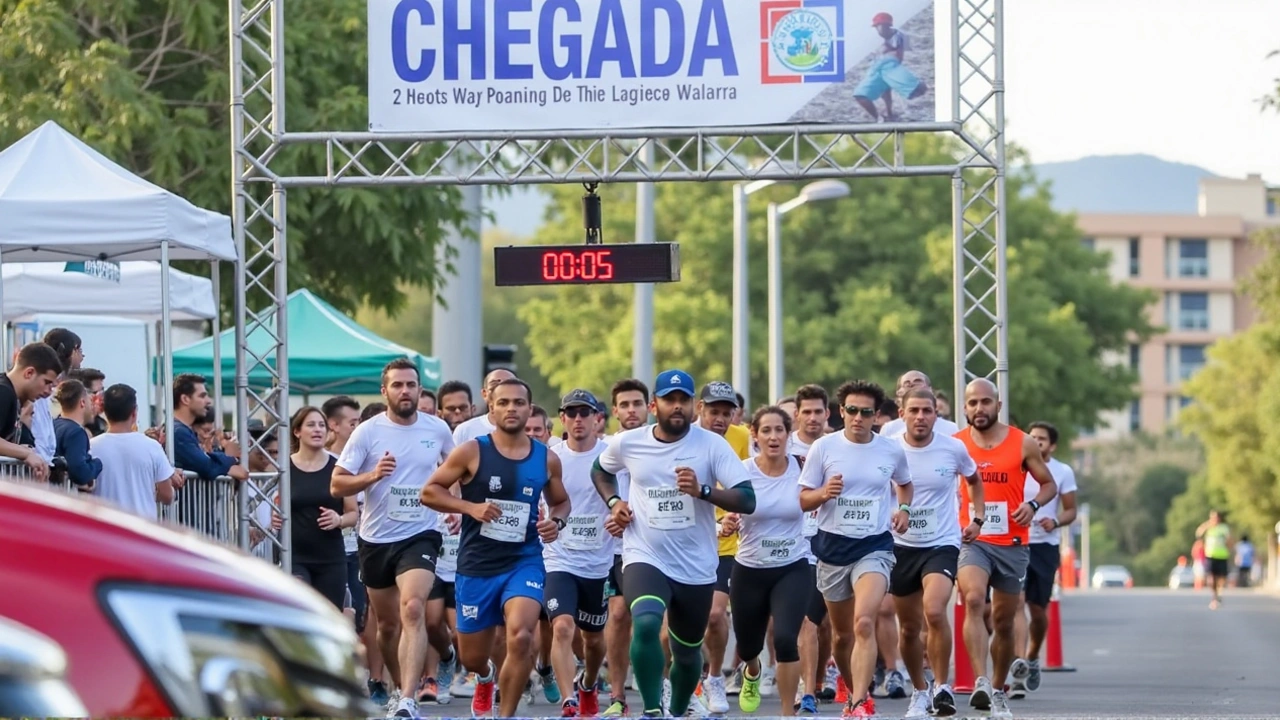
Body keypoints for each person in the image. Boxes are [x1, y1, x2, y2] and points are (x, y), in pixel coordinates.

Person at [591, 369, 757, 719]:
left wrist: (704, 491)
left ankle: (677, 710)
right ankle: (651, 709)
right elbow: (600, 470)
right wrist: (614, 503)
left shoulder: (712, 445)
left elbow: (747, 498)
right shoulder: (629, 442)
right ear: (654, 405)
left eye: (683, 400)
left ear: (695, 407)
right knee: (648, 623)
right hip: (644, 553)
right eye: (669, 400)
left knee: (686, 653)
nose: (677, 407)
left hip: (695, 563)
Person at [421, 377, 570, 719]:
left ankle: (505, 714)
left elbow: (561, 503)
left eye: (519, 402)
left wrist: (556, 523)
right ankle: (485, 676)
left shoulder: (546, 459)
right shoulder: (473, 450)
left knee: (521, 637)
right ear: (492, 406)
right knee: (472, 656)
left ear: (529, 408)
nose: (511, 408)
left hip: (525, 561)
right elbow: (430, 491)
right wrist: (470, 508)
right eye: (504, 402)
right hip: (477, 565)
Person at [331, 359, 459, 718]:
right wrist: (372, 475)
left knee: (414, 607)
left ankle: (407, 699)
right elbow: (337, 483)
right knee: (387, 626)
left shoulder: (437, 429)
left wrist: (454, 506)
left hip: (421, 533)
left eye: (411, 384)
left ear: (420, 389)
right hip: (375, 538)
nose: (406, 391)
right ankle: (398, 686)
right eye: (398, 385)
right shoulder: (368, 432)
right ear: (384, 391)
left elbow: (458, 471)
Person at [799, 380, 913, 718]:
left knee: (865, 621)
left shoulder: (890, 450)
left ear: (877, 416)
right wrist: (823, 494)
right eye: (851, 411)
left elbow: (905, 485)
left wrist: (903, 510)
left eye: (866, 412)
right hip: (832, 548)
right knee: (842, 636)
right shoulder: (824, 448)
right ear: (841, 412)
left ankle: (859, 701)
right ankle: (853, 692)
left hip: (874, 547)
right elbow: (802, 499)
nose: (858, 418)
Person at [954, 379, 1057, 720]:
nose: (978, 409)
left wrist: (1032, 504)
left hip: (1013, 542)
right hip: (973, 539)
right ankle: (981, 680)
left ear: (998, 406)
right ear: (965, 407)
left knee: (1003, 619)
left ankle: (997, 690)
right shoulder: (956, 445)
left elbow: (1049, 485)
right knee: (972, 599)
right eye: (972, 403)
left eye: (985, 402)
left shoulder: (1022, 442)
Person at [890, 387, 983, 718]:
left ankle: (942, 686)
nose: (920, 417)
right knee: (909, 627)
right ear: (902, 414)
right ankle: (919, 690)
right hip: (901, 545)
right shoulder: (890, 449)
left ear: (936, 415)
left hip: (941, 542)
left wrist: (978, 517)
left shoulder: (953, 447)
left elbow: (974, 479)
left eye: (927, 411)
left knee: (934, 610)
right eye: (913, 410)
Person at [732, 406, 811, 716]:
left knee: (786, 639)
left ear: (788, 435)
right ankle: (752, 671)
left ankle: (786, 713)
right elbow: (729, 507)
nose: (774, 437)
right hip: (750, 569)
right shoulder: (742, 471)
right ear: (755, 435)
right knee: (748, 646)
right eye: (766, 430)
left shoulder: (803, 469)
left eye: (780, 430)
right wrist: (728, 522)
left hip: (792, 567)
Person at [542, 390, 612, 716]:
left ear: (598, 418)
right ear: (563, 418)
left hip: (598, 560)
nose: (579, 419)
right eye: (572, 413)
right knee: (562, 627)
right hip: (559, 557)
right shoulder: (550, 457)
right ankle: (570, 700)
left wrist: (621, 516)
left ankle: (589, 683)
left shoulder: (613, 455)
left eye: (586, 412)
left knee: (594, 641)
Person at [695, 381, 752, 714]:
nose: (720, 419)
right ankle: (690, 677)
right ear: (700, 409)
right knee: (684, 621)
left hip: (727, 543)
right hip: (689, 539)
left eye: (726, 413)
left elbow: (746, 484)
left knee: (716, 615)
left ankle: (715, 677)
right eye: (713, 411)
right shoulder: (684, 437)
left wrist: (733, 516)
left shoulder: (741, 438)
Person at [1012, 421, 1078, 698]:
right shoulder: (1015, 464)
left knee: (1037, 613)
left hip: (1044, 546)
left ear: (1052, 445)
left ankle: (1033, 655)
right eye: (1032, 437)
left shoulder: (1062, 471)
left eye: (1042, 439)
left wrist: (1056, 521)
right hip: (1015, 543)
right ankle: (1016, 671)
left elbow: (1071, 510)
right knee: (1014, 604)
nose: (1036, 442)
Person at [601, 378, 651, 717]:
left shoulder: (661, 443)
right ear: (615, 410)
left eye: (638, 403)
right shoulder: (605, 447)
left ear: (649, 407)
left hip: (655, 547)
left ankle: (660, 690)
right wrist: (613, 507)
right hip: (614, 548)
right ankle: (617, 695)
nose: (632, 410)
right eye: (625, 405)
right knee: (618, 616)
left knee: (656, 623)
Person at [285, 406, 358, 609]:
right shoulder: (283, 468)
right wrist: (276, 517)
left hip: (330, 558)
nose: (317, 430)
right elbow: (275, 505)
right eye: (311, 425)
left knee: (329, 614)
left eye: (321, 425)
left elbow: (353, 513)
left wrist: (339, 520)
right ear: (297, 431)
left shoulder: (339, 467)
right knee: (299, 610)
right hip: (295, 556)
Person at [789, 384, 834, 714]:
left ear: (828, 414)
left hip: (830, 541)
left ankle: (817, 680)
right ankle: (804, 688)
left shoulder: (838, 446)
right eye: (807, 411)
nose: (813, 417)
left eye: (819, 411)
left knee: (826, 622)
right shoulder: (781, 444)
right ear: (797, 415)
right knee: (804, 621)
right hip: (793, 543)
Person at [89, 384, 182, 517]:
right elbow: (167, 495)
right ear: (134, 413)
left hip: (104, 529)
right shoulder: (151, 446)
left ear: (104, 411)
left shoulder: (91, 446)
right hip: (141, 528)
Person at [853, 12, 929, 122]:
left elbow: (898, 53)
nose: (880, 30)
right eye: (878, 27)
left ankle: (887, 114)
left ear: (888, 26)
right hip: (880, 67)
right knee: (865, 94)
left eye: (882, 26)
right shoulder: (878, 39)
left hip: (888, 66)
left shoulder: (898, 36)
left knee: (892, 90)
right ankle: (881, 117)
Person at [0, 343, 60, 479]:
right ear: (29, 373)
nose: (48, 392)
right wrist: (25, 453)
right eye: (46, 382)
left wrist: (22, 449)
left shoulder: (12, 395)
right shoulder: (4, 392)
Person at [51, 380, 102, 490]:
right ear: (82, 402)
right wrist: (97, 464)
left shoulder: (53, 425)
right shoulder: (76, 432)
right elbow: (79, 472)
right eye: (90, 400)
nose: (92, 405)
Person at [880, 371, 959, 439]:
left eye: (918, 382)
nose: (912, 385)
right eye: (907, 384)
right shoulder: (889, 429)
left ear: (931, 391)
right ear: (898, 394)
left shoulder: (950, 429)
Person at [453, 370, 518, 445]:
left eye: (508, 385)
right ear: (484, 394)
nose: (501, 391)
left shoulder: (529, 428)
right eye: (495, 385)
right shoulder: (465, 430)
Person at [1196, 510, 1231, 609]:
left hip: (1222, 555)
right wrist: (1207, 524)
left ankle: (1219, 593)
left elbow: (1229, 540)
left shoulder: (1223, 528)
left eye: (1216, 517)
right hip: (1210, 555)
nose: (1214, 519)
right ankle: (1214, 596)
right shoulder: (1208, 528)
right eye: (1212, 517)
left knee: (1222, 577)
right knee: (1211, 578)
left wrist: (1229, 549)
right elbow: (1198, 533)